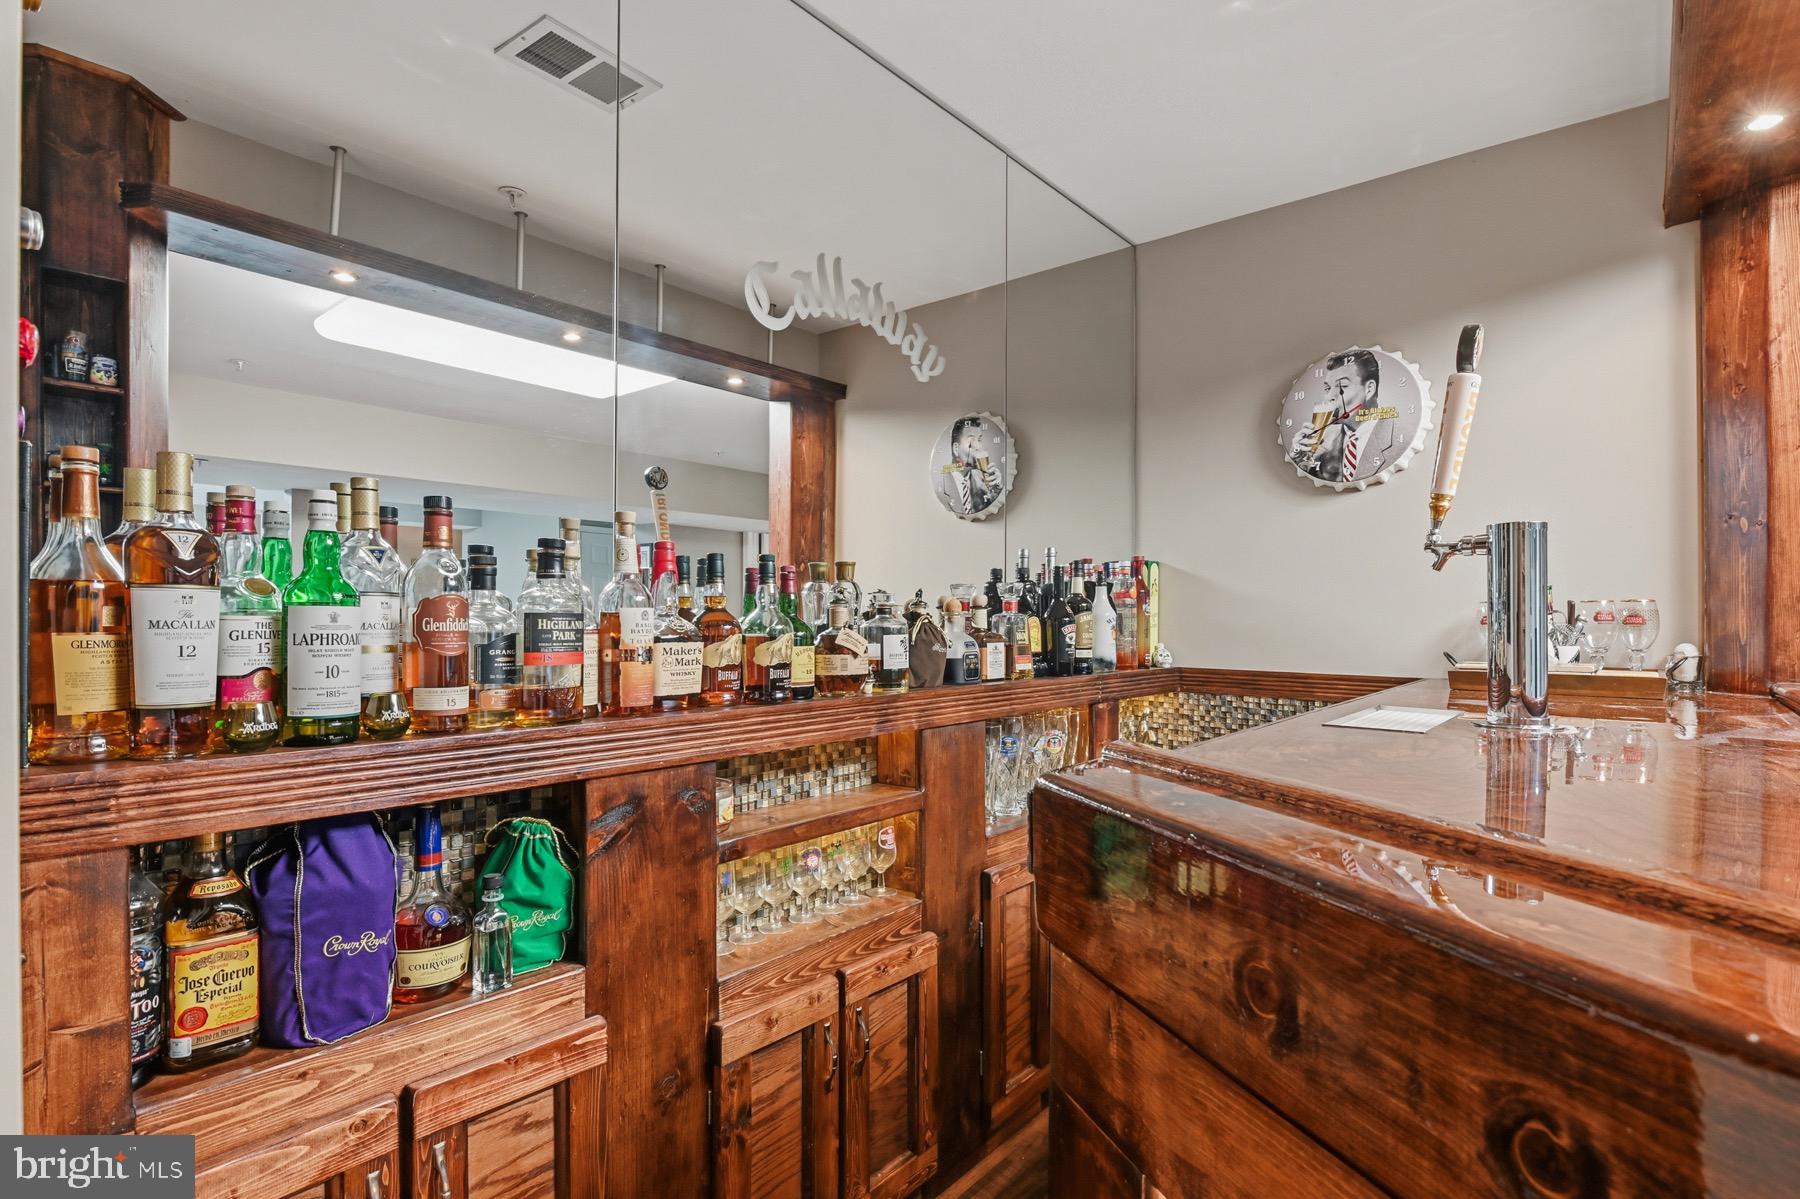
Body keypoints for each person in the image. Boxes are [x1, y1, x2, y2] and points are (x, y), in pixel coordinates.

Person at [1289, 349, 1396, 483]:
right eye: (1327, 389)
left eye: (1342, 387)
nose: (1329, 397)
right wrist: (1299, 458)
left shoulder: (1398, 434)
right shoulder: (1322, 441)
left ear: (1369, 389)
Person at [937, 416, 1004, 515]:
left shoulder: (981, 481)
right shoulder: (940, 482)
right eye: (971, 441)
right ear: (956, 449)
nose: (979, 446)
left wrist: (998, 488)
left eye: (979, 440)